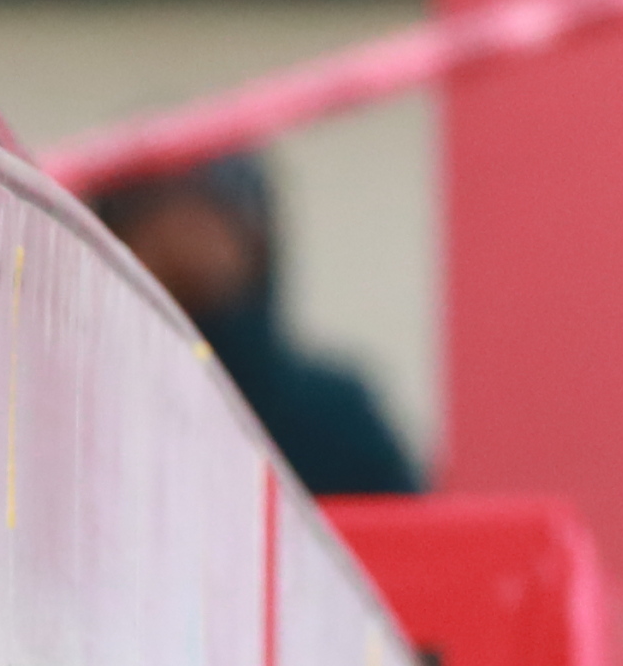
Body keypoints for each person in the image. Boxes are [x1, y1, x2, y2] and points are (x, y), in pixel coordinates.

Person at [93, 153, 423, 499]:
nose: (180, 240)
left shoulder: (334, 416)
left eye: (206, 215)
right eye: (150, 217)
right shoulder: (83, 409)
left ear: (256, 240)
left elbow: (413, 539)